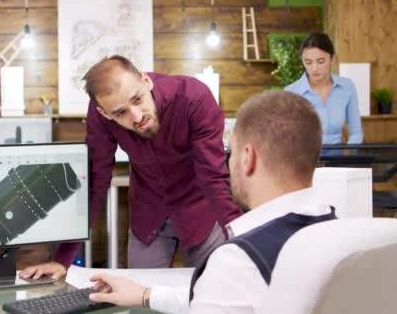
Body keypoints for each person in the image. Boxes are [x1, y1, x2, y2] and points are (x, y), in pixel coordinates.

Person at [87, 91, 336, 313]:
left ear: (248, 158)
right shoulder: (335, 235)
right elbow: (222, 300)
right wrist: (145, 295)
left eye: (232, 151)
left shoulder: (237, 260)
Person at [20, 55, 242, 280]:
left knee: (212, 291)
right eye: (120, 113)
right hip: (148, 214)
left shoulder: (193, 97)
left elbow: (213, 177)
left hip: (201, 210)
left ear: (146, 81)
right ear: (105, 114)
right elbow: (95, 181)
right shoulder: (100, 116)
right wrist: (62, 259)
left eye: (137, 99)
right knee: (139, 301)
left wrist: (244, 240)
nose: (137, 117)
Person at [285, 33, 363, 144]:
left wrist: (348, 157)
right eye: (308, 62)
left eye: (321, 61)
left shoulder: (347, 86)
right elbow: (288, 137)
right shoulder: (291, 92)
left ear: (332, 59)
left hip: (339, 158)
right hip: (304, 159)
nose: (314, 68)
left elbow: (356, 132)